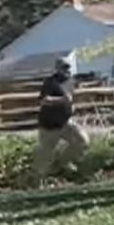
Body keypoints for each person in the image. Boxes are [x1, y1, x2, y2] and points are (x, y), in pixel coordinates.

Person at [32, 58, 90, 186]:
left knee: (83, 141)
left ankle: (63, 161)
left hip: (65, 122)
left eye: (68, 67)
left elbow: (72, 95)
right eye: (64, 68)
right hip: (49, 126)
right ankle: (37, 184)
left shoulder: (70, 81)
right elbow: (44, 100)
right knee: (44, 158)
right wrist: (61, 100)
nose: (66, 70)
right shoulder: (50, 82)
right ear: (57, 69)